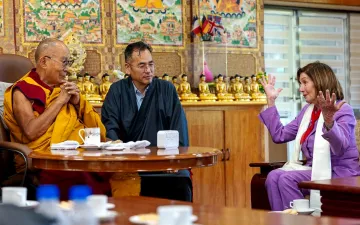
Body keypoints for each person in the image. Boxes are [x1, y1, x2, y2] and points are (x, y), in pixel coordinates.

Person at [3, 38, 111, 200]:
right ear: (44, 62)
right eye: (64, 62)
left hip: (78, 156)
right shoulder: (22, 90)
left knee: (119, 170)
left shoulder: (64, 90)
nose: (68, 69)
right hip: (45, 160)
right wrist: (61, 100)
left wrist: (78, 104)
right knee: (80, 178)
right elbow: (31, 132)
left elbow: (98, 132)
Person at [259, 62, 360, 211]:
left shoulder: (343, 110)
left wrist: (329, 121)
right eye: (300, 83)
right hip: (314, 169)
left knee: (287, 179)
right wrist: (271, 101)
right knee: (273, 177)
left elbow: (340, 148)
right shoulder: (308, 111)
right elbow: (279, 135)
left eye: (305, 82)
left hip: (340, 172)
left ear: (320, 81)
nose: (301, 89)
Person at [101, 41, 192, 201]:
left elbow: (178, 127)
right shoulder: (117, 91)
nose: (148, 70)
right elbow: (110, 127)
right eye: (142, 66)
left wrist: (176, 160)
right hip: (130, 163)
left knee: (181, 179)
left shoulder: (166, 89)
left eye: (151, 64)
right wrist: (120, 159)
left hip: (163, 163)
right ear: (127, 68)